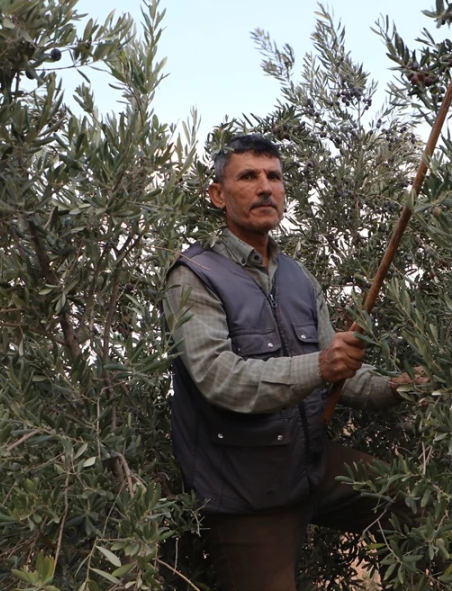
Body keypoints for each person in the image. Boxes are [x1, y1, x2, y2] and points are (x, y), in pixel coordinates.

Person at [163, 134, 420, 590]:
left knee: (425, 505)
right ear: (218, 195)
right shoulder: (194, 276)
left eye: (274, 177)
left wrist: (400, 385)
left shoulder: (299, 278)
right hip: (245, 492)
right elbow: (219, 379)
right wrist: (321, 366)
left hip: (310, 467)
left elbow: (342, 377)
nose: (265, 187)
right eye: (248, 176)